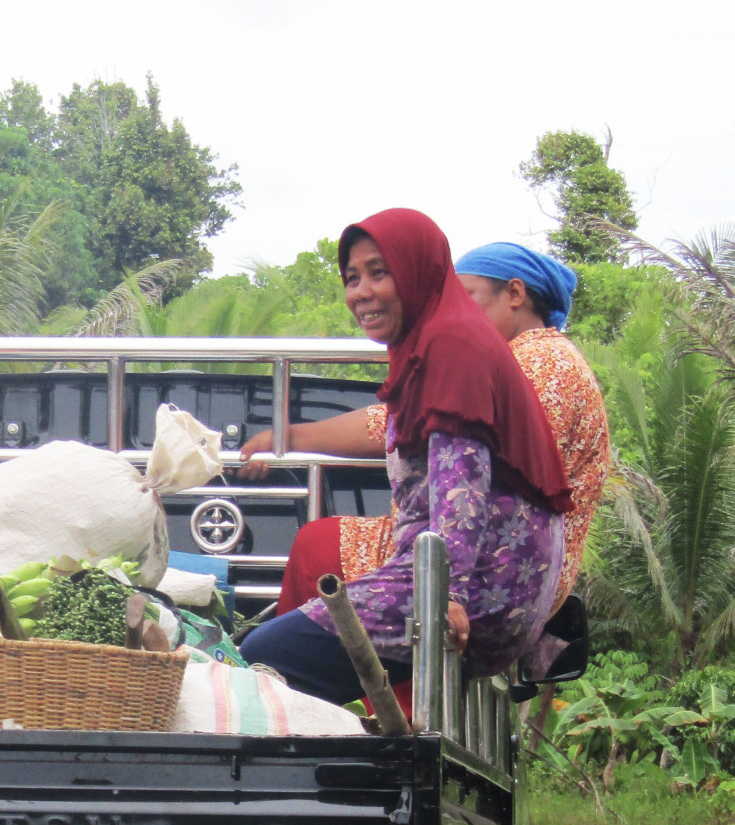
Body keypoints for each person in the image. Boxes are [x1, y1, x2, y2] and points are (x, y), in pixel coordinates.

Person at [238, 210, 570, 703]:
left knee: (264, 654)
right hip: (459, 579)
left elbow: (462, 488)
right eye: (352, 279)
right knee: (281, 652)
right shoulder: (429, 347)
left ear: (417, 271)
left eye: (379, 272)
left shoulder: (453, 345)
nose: (361, 292)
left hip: (475, 589)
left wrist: (447, 594)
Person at [243, 241, 610, 621]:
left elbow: (437, 441)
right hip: (499, 558)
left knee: (317, 549)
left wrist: (290, 438)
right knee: (321, 542)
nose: (458, 316)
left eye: (468, 300)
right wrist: (289, 439)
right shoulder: (534, 358)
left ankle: (302, 672)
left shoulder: (538, 364)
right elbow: (398, 422)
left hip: (496, 571)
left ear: (515, 294)